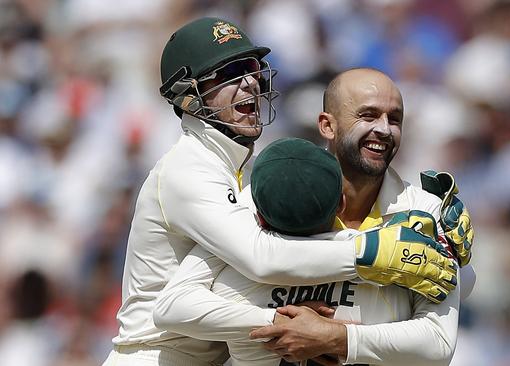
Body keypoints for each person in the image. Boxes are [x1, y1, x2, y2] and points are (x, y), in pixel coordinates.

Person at [103, 17, 458, 366]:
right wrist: (370, 254)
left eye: (252, 68)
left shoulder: (245, 165)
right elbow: (259, 257)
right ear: (188, 97)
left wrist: (454, 258)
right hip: (153, 357)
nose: (250, 83)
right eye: (228, 75)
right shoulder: (190, 169)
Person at [247, 68, 476, 364]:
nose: (384, 129)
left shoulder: (425, 210)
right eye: (368, 115)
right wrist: (274, 316)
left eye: (394, 119)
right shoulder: (277, 192)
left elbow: (439, 343)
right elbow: (189, 302)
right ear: (327, 125)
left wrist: (336, 338)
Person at [207, 136, 461, 366]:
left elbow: (174, 307)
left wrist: (273, 318)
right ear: (341, 204)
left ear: (258, 217)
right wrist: (335, 338)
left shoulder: (228, 285)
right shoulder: (390, 269)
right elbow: (438, 344)